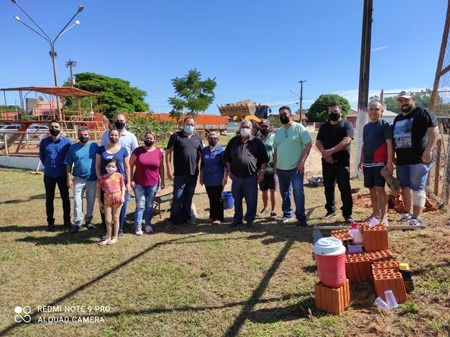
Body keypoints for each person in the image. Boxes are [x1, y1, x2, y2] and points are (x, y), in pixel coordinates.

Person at [393, 90, 439, 226]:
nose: (403, 103)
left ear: (413, 99)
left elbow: (434, 130)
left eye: (406, 100)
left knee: (418, 187)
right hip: (402, 161)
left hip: (419, 159)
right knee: (405, 187)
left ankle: (417, 218)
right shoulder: (398, 118)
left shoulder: (422, 112)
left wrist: (428, 150)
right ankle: (408, 213)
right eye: (401, 101)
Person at [224, 120, 269, 228]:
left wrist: (262, 173)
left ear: (252, 129)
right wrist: (229, 171)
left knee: (251, 199)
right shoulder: (233, 141)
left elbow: (263, 160)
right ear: (239, 129)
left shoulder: (257, 142)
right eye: (242, 127)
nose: (244, 129)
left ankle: (250, 219)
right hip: (236, 177)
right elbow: (227, 158)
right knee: (237, 199)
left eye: (247, 127)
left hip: (251, 177)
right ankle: (237, 218)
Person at [273, 107, 312, 227]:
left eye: (284, 114)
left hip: (296, 167)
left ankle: (301, 218)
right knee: (284, 192)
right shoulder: (279, 131)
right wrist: (275, 165)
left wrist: (302, 162)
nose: (282, 116)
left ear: (290, 115)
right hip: (281, 168)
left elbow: (308, 144)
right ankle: (287, 214)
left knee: (298, 192)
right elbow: (276, 149)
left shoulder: (299, 128)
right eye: (280, 115)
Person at [316, 103, 354, 224]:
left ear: (341, 112)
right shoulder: (324, 126)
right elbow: (318, 142)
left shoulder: (347, 125)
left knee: (344, 188)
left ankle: (347, 213)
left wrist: (330, 151)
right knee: (328, 187)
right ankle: (330, 210)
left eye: (335, 111)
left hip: (342, 162)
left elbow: (347, 141)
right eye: (331, 111)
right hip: (327, 162)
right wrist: (324, 154)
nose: (333, 113)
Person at [101, 113, 138, 238]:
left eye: (121, 120)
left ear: (125, 122)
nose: (119, 122)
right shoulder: (106, 135)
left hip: (122, 178)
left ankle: (120, 227)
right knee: (106, 202)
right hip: (108, 177)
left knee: (122, 202)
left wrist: (130, 179)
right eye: (117, 120)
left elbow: (133, 159)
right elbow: (102, 153)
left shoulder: (131, 137)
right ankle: (107, 229)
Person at [358, 102, 394, 226]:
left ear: (381, 111)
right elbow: (364, 144)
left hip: (379, 163)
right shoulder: (366, 127)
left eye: (376, 109)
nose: (373, 111)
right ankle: (375, 213)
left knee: (380, 189)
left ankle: (384, 216)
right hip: (367, 164)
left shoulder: (385, 125)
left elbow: (390, 144)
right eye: (371, 109)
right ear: (368, 110)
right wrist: (360, 160)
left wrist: (389, 162)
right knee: (371, 190)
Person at [165, 116, 203, 229]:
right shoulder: (176, 136)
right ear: (183, 124)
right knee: (177, 196)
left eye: (192, 125)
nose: (190, 126)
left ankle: (187, 218)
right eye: (188, 124)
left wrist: (201, 171)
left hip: (193, 174)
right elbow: (168, 153)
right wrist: (168, 169)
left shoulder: (197, 138)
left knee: (189, 196)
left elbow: (201, 155)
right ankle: (173, 220)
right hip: (180, 174)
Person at [96, 128, 131, 239]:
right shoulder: (101, 149)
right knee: (105, 206)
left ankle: (119, 228)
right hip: (105, 184)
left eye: (116, 135)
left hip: (119, 184)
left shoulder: (124, 150)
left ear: (119, 137)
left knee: (120, 205)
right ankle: (107, 230)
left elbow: (127, 167)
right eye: (111, 135)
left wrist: (128, 182)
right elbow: (97, 166)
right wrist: (100, 180)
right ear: (108, 136)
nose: (113, 137)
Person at [130, 131, 165, 236]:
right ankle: (138, 225)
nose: (149, 140)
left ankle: (148, 224)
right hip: (139, 183)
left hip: (153, 183)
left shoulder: (158, 152)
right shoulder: (137, 151)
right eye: (147, 138)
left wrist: (162, 180)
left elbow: (161, 167)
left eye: (151, 138)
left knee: (149, 205)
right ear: (143, 138)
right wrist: (131, 179)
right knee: (140, 205)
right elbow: (130, 165)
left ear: (154, 140)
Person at [65, 126, 99, 234]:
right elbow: (68, 164)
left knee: (91, 200)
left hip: (92, 179)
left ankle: (88, 220)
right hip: (78, 178)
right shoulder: (73, 148)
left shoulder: (94, 146)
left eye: (85, 135)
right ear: (78, 135)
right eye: (81, 135)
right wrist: (69, 179)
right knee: (77, 201)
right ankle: (77, 222)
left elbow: (100, 162)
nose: (83, 136)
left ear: (89, 135)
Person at [39, 120, 72, 231]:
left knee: (65, 198)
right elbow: (42, 157)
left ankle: (67, 221)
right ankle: (50, 222)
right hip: (49, 175)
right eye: (52, 127)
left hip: (62, 174)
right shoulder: (44, 142)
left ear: (60, 128)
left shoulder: (67, 142)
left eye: (56, 127)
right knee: (49, 199)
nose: (54, 129)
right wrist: (49, 166)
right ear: (49, 128)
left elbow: (70, 158)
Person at [199, 132, 228, 224]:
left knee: (218, 198)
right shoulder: (204, 150)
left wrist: (225, 178)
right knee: (211, 197)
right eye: (211, 138)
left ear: (218, 139)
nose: (213, 140)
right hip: (208, 179)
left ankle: (219, 218)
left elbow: (225, 166)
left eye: (215, 138)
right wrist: (201, 177)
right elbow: (202, 165)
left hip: (218, 179)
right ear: (207, 139)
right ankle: (212, 216)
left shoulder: (221, 151)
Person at [97, 158, 125, 245]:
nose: (111, 168)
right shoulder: (102, 178)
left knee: (116, 218)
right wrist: (99, 201)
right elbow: (98, 189)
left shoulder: (119, 176)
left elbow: (123, 186)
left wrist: (123, 196)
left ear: (116, 167)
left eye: (113, 166)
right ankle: (109, 237)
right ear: (105, 167)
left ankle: (115, 236)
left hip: (117, 198)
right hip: (107, 199)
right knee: (108, 219)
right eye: (109, 166)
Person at [257, 119, 278, 219]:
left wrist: (275, 166)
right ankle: (265, 208)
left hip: (272, 169)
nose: (264, 128)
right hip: (261, 170)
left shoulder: (275, 138)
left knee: (273, 190)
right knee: (264, 190)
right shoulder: (257, 139)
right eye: (262, 126)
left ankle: (273, 210)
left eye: (266, 126)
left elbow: (277, 152)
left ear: (270, 127)